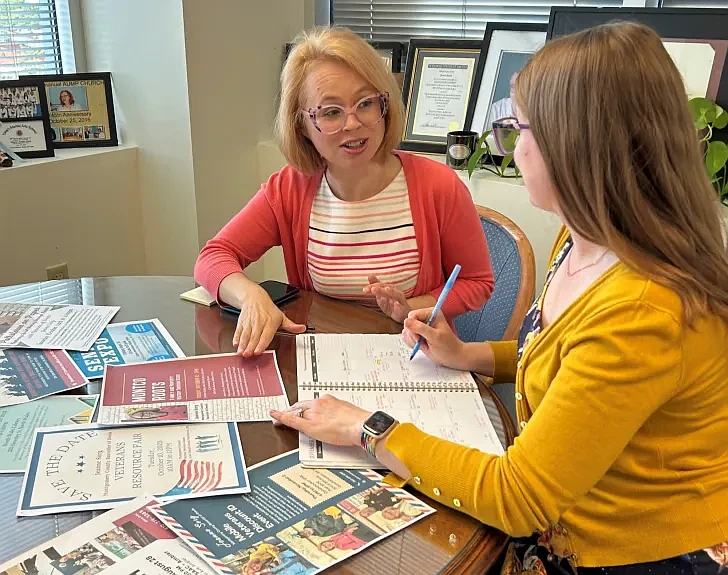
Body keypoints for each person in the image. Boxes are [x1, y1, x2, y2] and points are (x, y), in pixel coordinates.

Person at [271, 22, 728, 574]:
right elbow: (563, 360)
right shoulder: (586, 237)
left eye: (517, 127)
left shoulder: (642, 309)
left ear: (573, 145)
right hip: (569, 518)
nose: (509, 144)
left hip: (632, 556)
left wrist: (368, 428)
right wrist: (469, 356)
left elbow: (518, 498)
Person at [194, 27, 494, 357]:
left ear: (386, 105)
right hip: (324, 358)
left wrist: (410, 306)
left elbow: (477, 283)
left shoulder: (438, 186)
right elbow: (213, 257)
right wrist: (252, 297)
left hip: (413, 358)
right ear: (302, 126)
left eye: (366, 104)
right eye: (331, 112)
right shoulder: (289, 190)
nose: (353, 124)